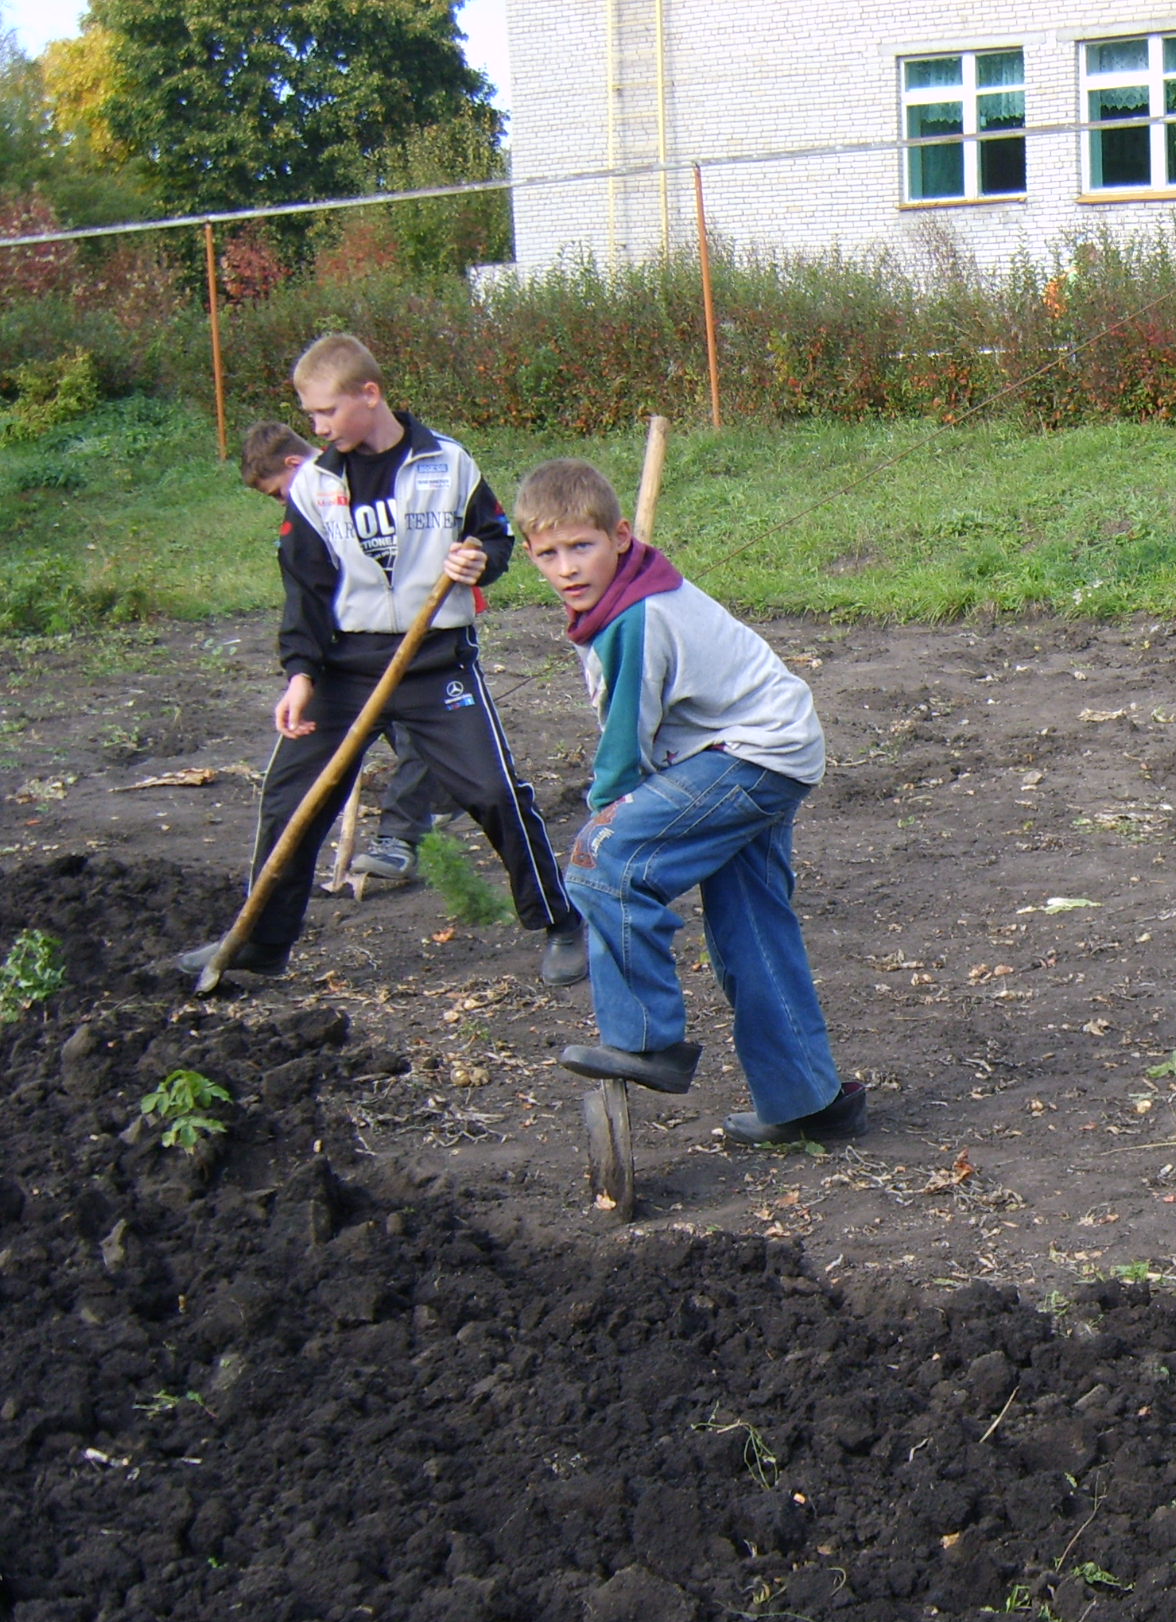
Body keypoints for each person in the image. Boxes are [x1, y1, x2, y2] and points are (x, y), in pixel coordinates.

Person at [181, 337, 586, 983]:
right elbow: (305, 590)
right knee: (291, 801)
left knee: (493, 791)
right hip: (344, 670)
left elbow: (495, 534)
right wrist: (300, 676)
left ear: (368, 395)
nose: (316, 428)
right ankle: (258, 946)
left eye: (325, 412)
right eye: (310, 416)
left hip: (434, 663)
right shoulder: (313, 485)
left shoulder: (445, 462)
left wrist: (479, 557)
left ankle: (562, 924)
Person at [514, 458, 868, 1147]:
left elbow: (623, 752)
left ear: (619, 536)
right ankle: (810, 1100)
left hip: (749, 754)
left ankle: (644, 1039)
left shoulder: (636, 618)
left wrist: (609, 818)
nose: (566, 567)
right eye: (548, 553)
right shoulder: (623, 597)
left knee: (602, 858)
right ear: (529, 554)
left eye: (581, 546)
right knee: (751, 923)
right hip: (766, 748)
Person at [238, 420, 458, 886]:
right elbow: (308, 593)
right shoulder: (309, 514)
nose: (282, 503)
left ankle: (401, 837)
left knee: (418, 731)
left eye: (279, 492)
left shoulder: (360, 482)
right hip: (347, 651)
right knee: (392, 741)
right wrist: (303, 668)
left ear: (295, 465)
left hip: (413, 634)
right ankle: (445, 790)